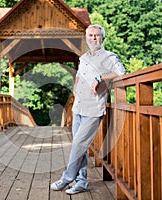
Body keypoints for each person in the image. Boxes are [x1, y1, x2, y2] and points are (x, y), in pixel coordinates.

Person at [50, 24, 126, 195]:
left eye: (97, 35)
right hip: (78, 107)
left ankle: (67, 178)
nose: (93, 38)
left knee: (78, 143)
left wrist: (101, 77)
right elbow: (78, 76)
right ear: (86, 38)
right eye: (90, 35)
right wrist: (75, 91)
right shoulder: (83, 58)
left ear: (103, 38)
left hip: (94, 109)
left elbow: (121, 72)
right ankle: (82, 182)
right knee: (80, 146)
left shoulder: (109, 56)